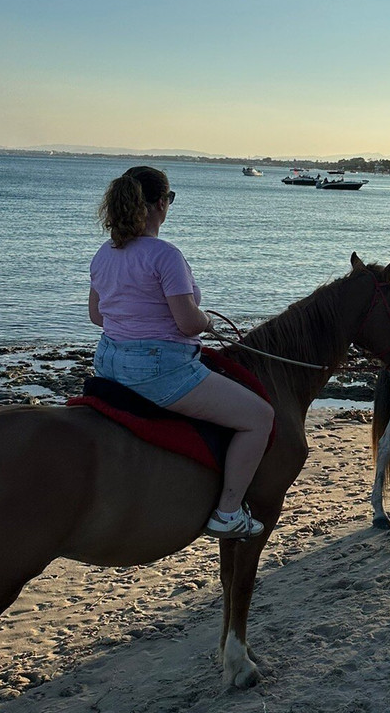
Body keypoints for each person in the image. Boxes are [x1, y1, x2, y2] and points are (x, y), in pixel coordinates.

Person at [88, 166, 274, 539]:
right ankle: (227, 512)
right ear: (160, 203)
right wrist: (206, 320)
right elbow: (187, 323)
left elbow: (96, 316)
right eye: (169, 199)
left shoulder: (104, 254)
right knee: (260, 416)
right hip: (159, 371)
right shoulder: (165, 256)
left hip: (108, 363)